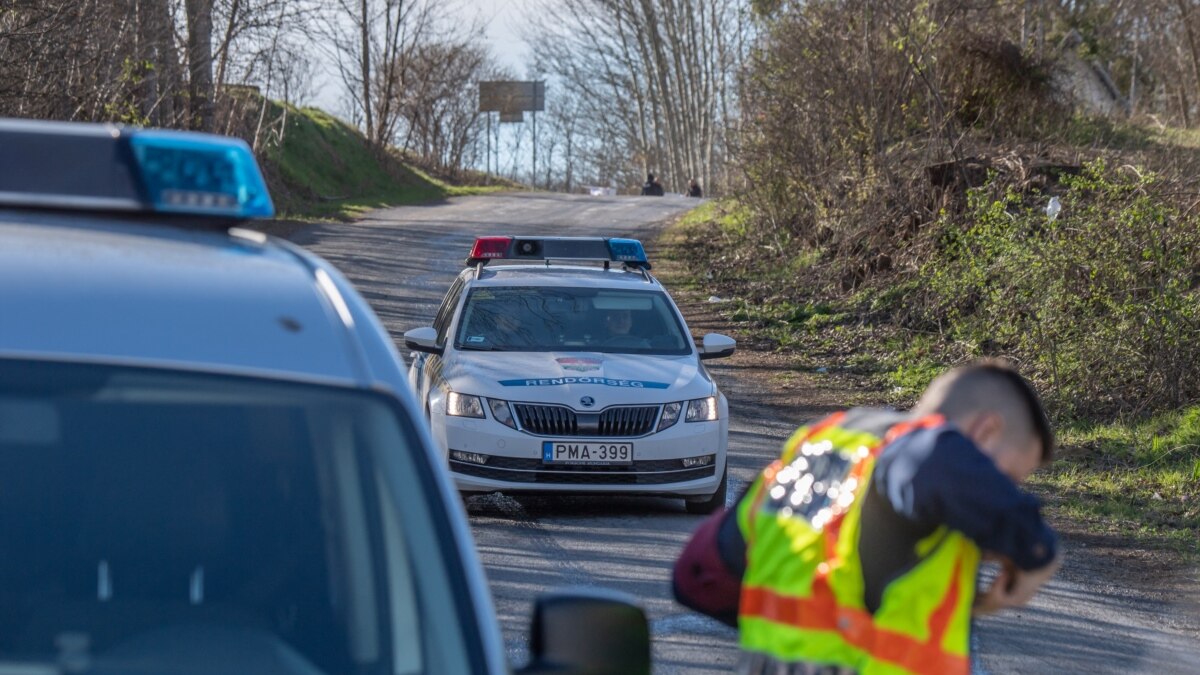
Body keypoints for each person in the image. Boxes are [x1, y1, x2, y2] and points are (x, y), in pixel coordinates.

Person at [673, 360, 1061, 675]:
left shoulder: (818, 445)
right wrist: (1038, 556)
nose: (1003, 492)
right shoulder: (919, 454)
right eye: (1008, 479)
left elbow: (697, 576)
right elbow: (933, 462)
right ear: (985, 431)